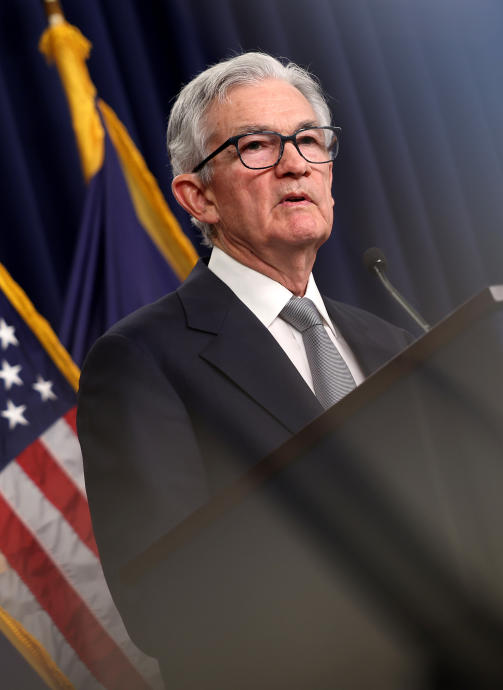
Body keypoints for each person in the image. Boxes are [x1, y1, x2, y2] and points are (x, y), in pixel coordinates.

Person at [76, 52, 413, 684]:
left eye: (309, 140)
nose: (295, 163)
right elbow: (163, 603)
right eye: (256, 146)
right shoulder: (141, 361)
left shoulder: (395, 343)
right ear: (197, 195)